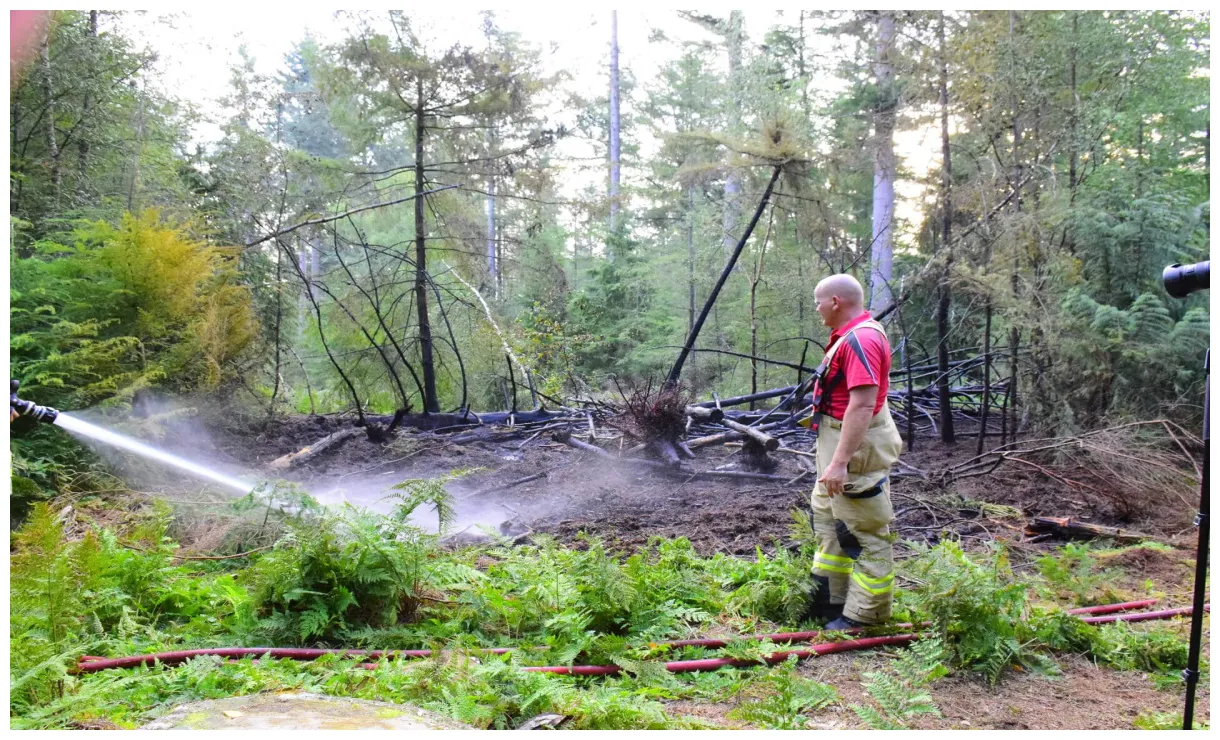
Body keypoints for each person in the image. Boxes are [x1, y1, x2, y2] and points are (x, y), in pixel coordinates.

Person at [804, 274, 904, 629]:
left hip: (855, 447)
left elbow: (862, 406)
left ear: (835, 302)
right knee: (830, 520)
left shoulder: (862, 339)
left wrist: (841, 462)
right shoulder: (851, 336)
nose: (816, 309)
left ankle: (865, 616)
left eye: (818, 302)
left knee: (863, 530)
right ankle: (830, 601)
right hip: (837, 437)